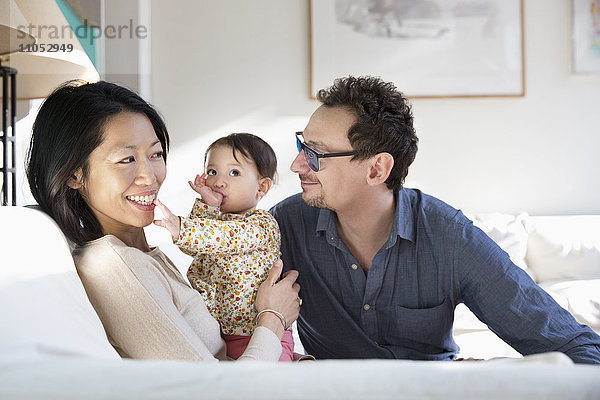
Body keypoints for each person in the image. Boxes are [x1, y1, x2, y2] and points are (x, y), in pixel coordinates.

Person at [269, 76, 600, 364]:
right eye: (302, 145)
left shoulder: (450, 238)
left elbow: (572, 343)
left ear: (376, 170)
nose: (297, 165)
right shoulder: (284, 225)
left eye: (314, 153)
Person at [26, 80, 300, 362]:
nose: (150, 176)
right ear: (74, 174)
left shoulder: (141, 254)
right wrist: (273, 318)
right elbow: (212, 391)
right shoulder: (114, 266)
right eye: (126, 159)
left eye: (156, 154)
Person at [153, 133, 294, 361]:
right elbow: (191, 248)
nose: (219, 181)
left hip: (259, 332)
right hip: (219, 334)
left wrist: (182, 227)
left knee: (273, 386)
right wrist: (206, 207)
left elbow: (225, 238)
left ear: (262, 187)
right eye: (212, 172)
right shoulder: (214, 223)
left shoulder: (261, 224)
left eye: (234, 173)